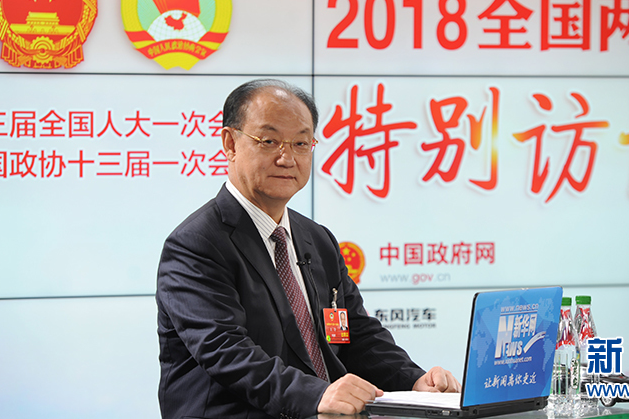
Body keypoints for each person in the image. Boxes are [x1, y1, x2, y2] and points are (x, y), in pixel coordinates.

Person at [156, 79, 460, 418]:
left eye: (301, 143)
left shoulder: (317, 239)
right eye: (269, 141)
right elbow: (226, 351)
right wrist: (317, 395)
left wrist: (415, 382)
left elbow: (355, 333)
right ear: (230, 143)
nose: (287, 158)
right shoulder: (196, 244)